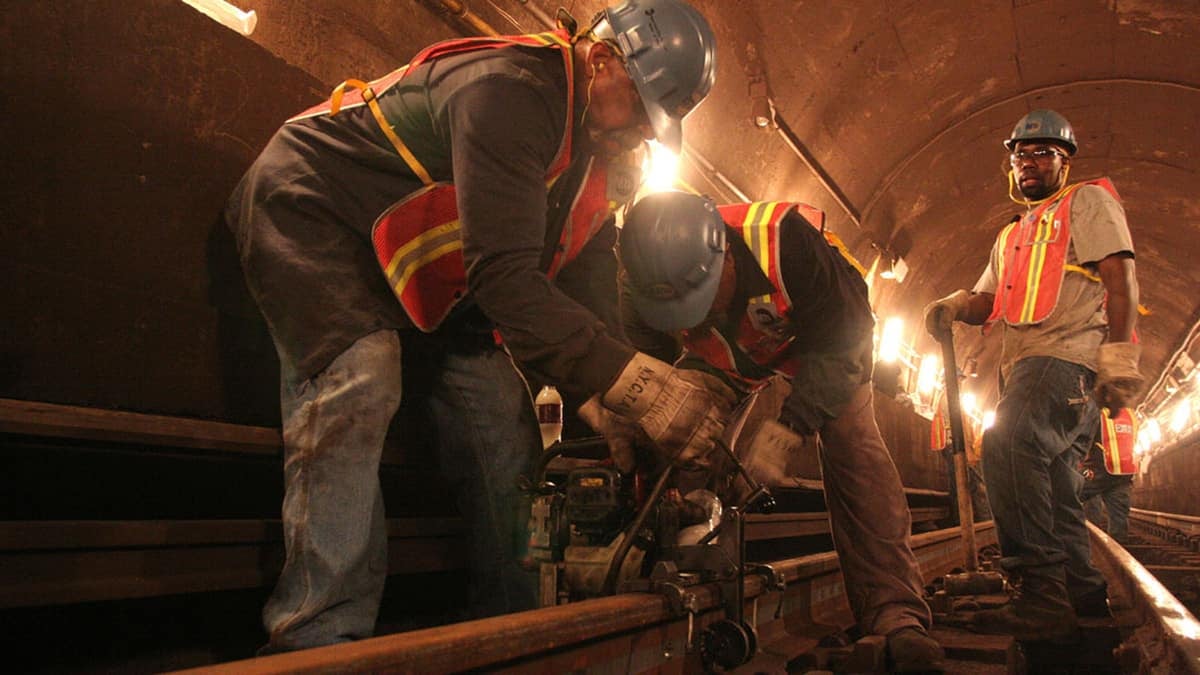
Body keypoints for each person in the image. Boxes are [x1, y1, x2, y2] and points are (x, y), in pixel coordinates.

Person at [225, 0, 723, 653]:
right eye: (639, 106)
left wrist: (607, 395)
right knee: (361, 376)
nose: (640, 133)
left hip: (419, 274)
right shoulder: (514, 92)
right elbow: (507, 280)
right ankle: (315, 638)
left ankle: (512, 627)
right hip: (317, 214)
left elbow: (574, 280)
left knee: (506, 427)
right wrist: (633, 380)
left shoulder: (590, 154)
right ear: (602, 60)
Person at [600, 191, 945, 672]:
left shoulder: (786, 242)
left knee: (853, 450)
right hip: (726, 353)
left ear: (722, 253)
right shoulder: (640, 283)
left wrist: (790, 428)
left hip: (826, 345)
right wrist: (639, 420)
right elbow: (652, 372)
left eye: (695, 299)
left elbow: (843, 346)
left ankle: (896, 613)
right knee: (683, 436)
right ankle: (678, 565)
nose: (689, 313)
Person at [924, 109, 1142, 640]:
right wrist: (956, 304)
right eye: (1021, 155)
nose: (1029, 163)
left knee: (1007, 442)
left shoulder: (1086, 203)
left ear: (1065, 162)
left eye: (1043, 153)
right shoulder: (1012, 236)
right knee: (1057, 484)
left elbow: (1120, 277)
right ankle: (1082, 592)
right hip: (1027, 364)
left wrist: (1119, 357)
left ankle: (1040, 593)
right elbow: (986, 301)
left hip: (1065, 358)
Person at [1080, 407, 1139, 543]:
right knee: (1119, 519)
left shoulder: (1097, 413)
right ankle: (1116, 553)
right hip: (1123, 473)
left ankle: (1092, 547)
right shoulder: (1131, 415)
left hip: (1098, 472)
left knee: (1068, 498)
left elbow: (1082, 440)